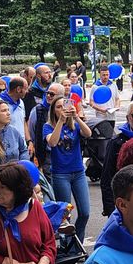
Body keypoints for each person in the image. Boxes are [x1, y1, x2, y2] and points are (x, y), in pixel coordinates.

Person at [43, 95, 93, 239]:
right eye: (58, 107)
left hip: (78, 172)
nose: (62, 109)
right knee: (65, 216)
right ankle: (69, 249)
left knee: (85, 212)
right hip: (60, 174)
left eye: (64, 106)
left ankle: (78, 244)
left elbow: (88, 134)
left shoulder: (75, 125)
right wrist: (60, 121)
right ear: (53, 111)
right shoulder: (47, 126)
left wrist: (76, 117)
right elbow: (52, 142)